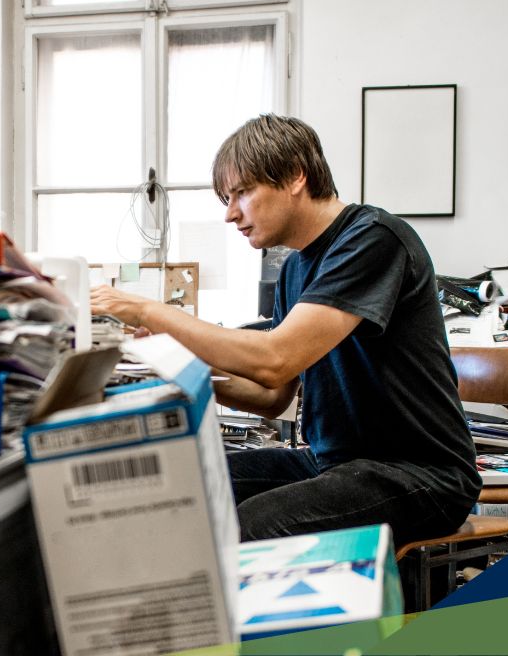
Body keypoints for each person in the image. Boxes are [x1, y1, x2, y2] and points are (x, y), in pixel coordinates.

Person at [90, 114, 480, 547]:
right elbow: (273, 398)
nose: (230, 213)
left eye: (242, 193)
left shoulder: (374, 238)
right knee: (187, 487)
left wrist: (148, 310)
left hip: (423, 475)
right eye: (227, 197)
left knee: (253, 523)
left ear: (295, 176)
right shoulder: (294, 269)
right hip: (334, 464)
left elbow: (275, 359)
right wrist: (174, 363)